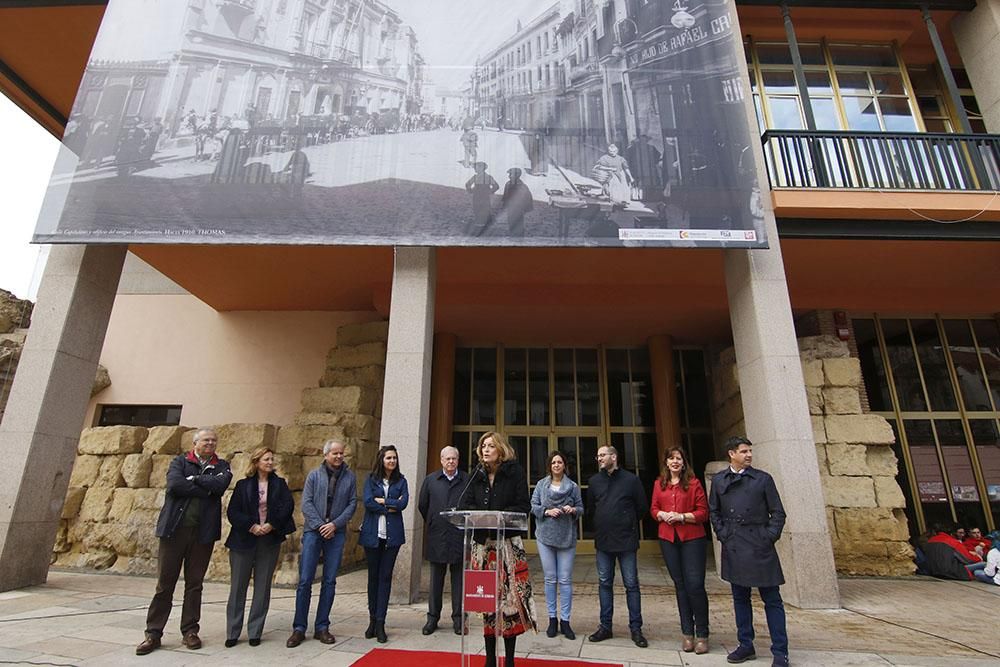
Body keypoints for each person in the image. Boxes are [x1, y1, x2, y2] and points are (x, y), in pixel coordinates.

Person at [136, 429, 232, 655]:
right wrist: (205, 488)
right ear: (195, 443)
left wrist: (197, 480)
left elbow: (220, 487)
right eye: (206, 440)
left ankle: (190, 630)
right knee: (164, 583)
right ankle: (153, 632)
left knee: (195, 584)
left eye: (214, 440)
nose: (210, 443)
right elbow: (175, 485)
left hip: (202, 534)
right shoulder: (180, 462)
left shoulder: (222, 465)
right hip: (175, 531)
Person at [709, 436, 789, 667]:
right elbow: (714, 511)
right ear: (731, 454)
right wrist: (724, 534)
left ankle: (780, 651)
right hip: (734, 544)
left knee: (772, 600)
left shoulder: (763, 479)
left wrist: (768, 536)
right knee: (740, 599)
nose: (749, 455)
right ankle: (745, 644)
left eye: (750, 451)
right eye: (744, 451)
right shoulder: (720, 480)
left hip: (759, 545)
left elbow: (778, 513)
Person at [460, 432, 537, 667]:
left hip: (507, 546)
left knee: (509, 603)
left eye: (491, 446)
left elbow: (523, 506)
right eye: (483, 446)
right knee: (486, 603)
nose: (485, 449)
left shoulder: (513, 473)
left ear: (500, 450)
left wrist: (500, 518)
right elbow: (465, 504)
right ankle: (490, 659)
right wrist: (480, 516)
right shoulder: (477, 474)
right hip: (484, 546)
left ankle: (510, 659)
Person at [287, 440, 358, 648]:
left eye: (341, 454)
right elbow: (306, 503)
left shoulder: (350, 476)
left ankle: (322, 626)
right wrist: (320, 525)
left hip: (337, 533)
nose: (338, 457)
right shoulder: (314, 476)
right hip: (313, 532)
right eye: (335, 453)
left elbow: (353, 503)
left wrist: (335, 525)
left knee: (329, 581)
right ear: (326, 455)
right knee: (305, 580)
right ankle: (299, 628)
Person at [224, 446, 294, 647]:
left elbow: (286, 507)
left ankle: (255, 631)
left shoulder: (280, 484)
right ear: (256, 462)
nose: (270, 462)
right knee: (238, 586)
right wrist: (251, 526)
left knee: (262, 587)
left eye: (272, 459)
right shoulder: (243, 485)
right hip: (244, 539)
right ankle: (233, 631)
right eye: (266, 459)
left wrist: (271, 524)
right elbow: (233, 511)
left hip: (269, 539)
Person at [587, 445, 649, 648]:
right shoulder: (594, 481)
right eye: (598, 456)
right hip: (603, 542)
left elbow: (642, 507)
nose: (599, 459)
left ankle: (636, 628)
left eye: (602, 455)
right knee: (604, 583)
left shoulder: (631, 480)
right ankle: (605, 626)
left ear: (614, 456)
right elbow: (590, 509)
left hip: (626, 541)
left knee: (631, 584)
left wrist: (627, 523)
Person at [651, 446, 710, 654]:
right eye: (671, 458)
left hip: (692, 539)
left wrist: (682, 517)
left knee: (695, 585)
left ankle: (702, 633)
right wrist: (662, 515)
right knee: (680, 585)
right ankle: (687, 633)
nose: (675, 462)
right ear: (666, 462)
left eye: (679, 458)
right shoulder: (660, 484)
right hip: (668, 538)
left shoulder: (694, 484)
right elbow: (654, 508)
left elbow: (703, 513)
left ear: (684, 462)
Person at [530, 450, 583, 640]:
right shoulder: (541, 485)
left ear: (564, 465)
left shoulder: (573, 486)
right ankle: (552, 619)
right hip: (545, 537)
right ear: (549, 466)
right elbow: (533, 505)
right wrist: (546, 511)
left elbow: (581, 508)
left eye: (559, 462)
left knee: (565, 580)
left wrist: (573, 509)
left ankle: (566, 620)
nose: (556, 465)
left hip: (567, 538)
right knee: (550, 579)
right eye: (553, 463)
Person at [359, 445, 409, 643]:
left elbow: (403, 503)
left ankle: (381, 622)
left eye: (394, 458)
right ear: (381, 459)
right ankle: (372, 620)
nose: (392, 461)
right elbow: (368, 502)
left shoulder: (401, 481)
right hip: (372, 535)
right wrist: (391, 504)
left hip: (392, 537)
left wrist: (383, 501)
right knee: (373, 578)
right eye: (388, 458)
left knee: (385, 577)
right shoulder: (371, 480)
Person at [418, 445, 469, 635]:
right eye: (447, 459)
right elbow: (423, 505)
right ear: (441, 460)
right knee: (435, 581)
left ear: (458, 460)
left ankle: (458, 620)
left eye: (454, 458)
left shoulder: (466, 480)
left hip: (458, 536)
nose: (451, 462)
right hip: (437, 536)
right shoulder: (431, 480)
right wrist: (433, 521)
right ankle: (432, 619)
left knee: (458, 581)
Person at [465, 162, 499, 236]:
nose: (475, 169)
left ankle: (485, 227)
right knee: (476, 209)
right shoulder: (475, 177)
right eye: (475, 167)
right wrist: (470, 190)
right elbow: (467, 184)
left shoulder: (488, 177)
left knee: (485, 210)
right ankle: (479, 227)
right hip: (476, 196)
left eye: (477, 167)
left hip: (484, 196)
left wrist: (490, 191)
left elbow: (496, 186)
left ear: (482, 168)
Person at [499, 168, 534, 237]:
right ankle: (512, 235)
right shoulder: (508, 184)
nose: (509, 176)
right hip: (510, 207)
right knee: (511, 221)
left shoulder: (522, 185)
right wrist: (504, 206)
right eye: (509, 174)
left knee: (519, 222)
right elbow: (505, 195)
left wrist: (527, 208)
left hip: (519, 207)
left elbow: (528, 197)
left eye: (511, 174)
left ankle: (520, 236)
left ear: (517, 175)